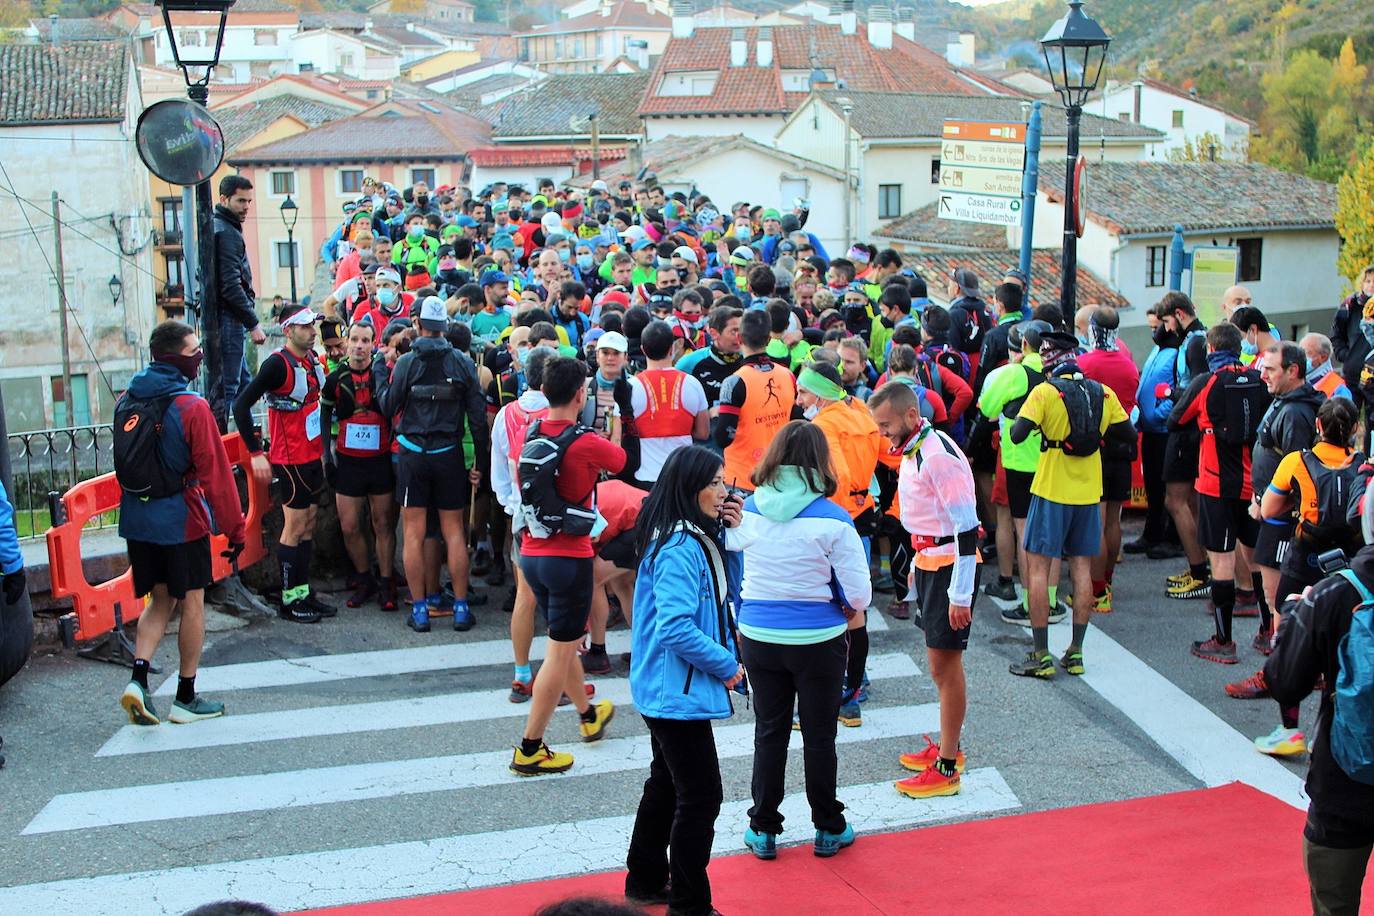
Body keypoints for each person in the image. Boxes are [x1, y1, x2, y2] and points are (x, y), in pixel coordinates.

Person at [732, 421, 870, 860]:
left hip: (758, 635)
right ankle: (828, 826)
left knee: (769, 732)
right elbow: (860, 596)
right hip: (818, 639)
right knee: (818, 735)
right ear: (819, 463)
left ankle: (763, 829)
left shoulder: (747, 510)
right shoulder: (834, 518)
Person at [624, 446, 745, 915]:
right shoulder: (679, 546)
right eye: (713, 482)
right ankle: (689, 903)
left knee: (667, 784)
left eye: (723, 481)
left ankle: (646, 879)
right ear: (688, 486)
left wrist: (730, 538)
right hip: (675, 690)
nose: (723, 490)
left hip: (668, 687)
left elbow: (726, 591)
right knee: (701, 797)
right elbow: (675, 627)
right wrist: (726, 664)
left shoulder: (693, 537)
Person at [116, 320, 246, 726]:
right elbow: (217, 475)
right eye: (194, 353)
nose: (199, 359)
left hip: (137, 519)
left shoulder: (128, 399)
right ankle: (185, 697)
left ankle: (138, 680)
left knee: (159, 598)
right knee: (192, 601)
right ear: (177, 358)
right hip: (181, 520)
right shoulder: (192, 406)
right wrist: (235, 527)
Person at [510, 356, 622, 776]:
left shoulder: (532, 428)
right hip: (569, 556)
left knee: (563, 638)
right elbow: (620, 460)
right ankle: (530, 746)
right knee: (560, 651)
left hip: (532, 553)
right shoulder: (586, 440)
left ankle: (588, 714)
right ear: (580, 394)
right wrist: (610, 422)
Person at [869, 381, 979, 798]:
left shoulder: (936, 456)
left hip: (950, 568)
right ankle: (951, 747)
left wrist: (960, 594)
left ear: (912, 417)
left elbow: (967, 528)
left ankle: (948, 765)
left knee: (945, 669)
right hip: (932, 563)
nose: (884, 434)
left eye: (887, 425)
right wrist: (916, 564)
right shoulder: (918, 449)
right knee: (941, 667)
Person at [1263, 521, 1374, 915]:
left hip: (1344, 784)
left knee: (1333, 903)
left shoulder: (1334, 593)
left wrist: (1295, 618)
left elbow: (1284, 683)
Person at [1008, 331, 1134, 678]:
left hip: (1051, 490)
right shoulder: (1101, 392)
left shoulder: (1045, 392)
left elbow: (1017, 434)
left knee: (1038, 569)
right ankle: (1076, 652)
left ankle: (1041, 654)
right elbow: (1129, 435)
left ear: (1048, 359)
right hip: (1088, 492)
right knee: (1080, 569)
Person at [1251, 398, 1363, 756]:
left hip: (1304, 559)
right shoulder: (1364, 466)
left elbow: (1267, 510)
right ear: (1355, 430)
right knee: (1343, 645)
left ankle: (1289, 731)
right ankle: (1330, 733)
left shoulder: (1296, 461)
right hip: (1349, 565)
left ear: (1317, 426)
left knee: (1288, 639)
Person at [376, 297, 488, 633]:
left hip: (413, 452)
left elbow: (388, 406)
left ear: (419, 325)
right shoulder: (463, 363)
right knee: (454, 532)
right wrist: (479, 462)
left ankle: (421, 608)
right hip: (448, 453)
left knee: (413, 532)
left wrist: (381, 371)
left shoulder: (407, 362)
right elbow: (478, 420)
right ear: (445, 328)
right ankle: (461, 607)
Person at [1169, 322, 1270, 664]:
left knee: (1222, 560)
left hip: (1214, 485)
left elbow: (1174, 420)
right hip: (1253, 485)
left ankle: (1224, 641)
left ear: (1211, 350)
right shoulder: (1259, 379)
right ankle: (1268, 630)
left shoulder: (1206, 382)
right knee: (1258, 561)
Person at [796, 361, 883, 727]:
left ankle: (836, 696)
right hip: (863, 516)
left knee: (828, 608)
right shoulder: (859, 410)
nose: (799, 401)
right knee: (855, 603)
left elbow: (838, 478)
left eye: (803, 392)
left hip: (836, 522)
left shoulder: (822, 426)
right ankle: (854, 687)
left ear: (819, 393)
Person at [233, 305, 332, 624]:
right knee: (294, 526)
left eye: (312, 326)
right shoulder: (277, 364)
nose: (312, 331)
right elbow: (241, 405)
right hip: (290, 459)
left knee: (309, 524)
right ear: (288, 330)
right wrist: (255, 452)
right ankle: (290, 598)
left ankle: (302, 590)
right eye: (305, 327)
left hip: (312, 454)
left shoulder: (312, 360)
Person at [1241, 342, 1322, 667]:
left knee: (1279, 600)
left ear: (1293, 371)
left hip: (1283, 520)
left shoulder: (1296, 412)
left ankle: (1281, 672)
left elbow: (1303, 474)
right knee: (1274, 595)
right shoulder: (1285, 402)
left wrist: (1269, 504)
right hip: (1272, 512)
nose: (1263, 375)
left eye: (1270, 369)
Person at [320, 320, 397, 611]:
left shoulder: (383, 374)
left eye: (366, 340)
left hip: (379, 460)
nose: (359, 346)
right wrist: (325, 455)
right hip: (349, 460)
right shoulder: (335, 377)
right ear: (347, 342)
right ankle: (364, 578)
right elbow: (324, 412)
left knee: (383, 524)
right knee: (350, 526)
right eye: (354, 339)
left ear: (373, 343)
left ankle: (387, 580)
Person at [1077, 306, 1140, 613]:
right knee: (1114, 520)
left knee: (1097, 522)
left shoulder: (1085, 363)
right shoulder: (1128, 366)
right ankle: (1108, 582)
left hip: (1097, 447)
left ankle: (1097, 590)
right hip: (1123, 445)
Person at [1158, 292, 1212, 599]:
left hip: (1186, 428)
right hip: (1192, 429)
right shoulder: (1196, 339)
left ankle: (1198, 571)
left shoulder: (1194, 342)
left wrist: (1170, 394)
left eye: (1167, 321)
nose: (1165, 329)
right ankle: (1202, 566)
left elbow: (1196, 385)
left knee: (1175, 501)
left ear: (1179, 314)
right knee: (1191, 501)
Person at [716, 310, 797, 488]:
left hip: (742, 479)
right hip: (778, 476)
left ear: (739, 338)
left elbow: (723, 438)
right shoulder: (788, 375)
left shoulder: (734, 382)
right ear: (768, 339)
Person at [211, 175, 267, 429]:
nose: (246, 207)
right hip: (229, 320)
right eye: (240, 201)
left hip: (227, 318)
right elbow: (230, 286)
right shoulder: (227, 233)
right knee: (228, 389)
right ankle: (221, 448)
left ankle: (249, 443)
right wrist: (253, 323)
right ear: (224, 199)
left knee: (243, 385)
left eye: (249, 201)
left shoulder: (222, 227)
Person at [629, 320, 710, 485]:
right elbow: (703, 433)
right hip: (684, 476)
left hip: (645, 478)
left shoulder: (631, 386)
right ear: (672, 349)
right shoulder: (692, 384)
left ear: (643, 349)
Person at [1130, 304, 1182, 557]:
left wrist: (1157, 415)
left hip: (1163, 430)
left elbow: (1176, 391)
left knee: (1165, 489)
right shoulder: (1158, 350)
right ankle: (1151, 534)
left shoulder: (1176, 353)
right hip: (1150, 429)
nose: (1153, 331)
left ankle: (1167, 536)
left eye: (1155, 326)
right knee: (1152, 486)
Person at [675, 304, 743, 408]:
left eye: (742, 331)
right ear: (713, 333)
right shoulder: (689, 363)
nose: (740, 337)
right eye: (734, 331)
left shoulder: (748, 361)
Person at [1331, 265, 1374, 412]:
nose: (1371, 285)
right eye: (1368, 281)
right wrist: (1345, 356)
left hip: (1372, 377)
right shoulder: (1349, 306)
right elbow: (1337, 335)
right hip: (1352, 374)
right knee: (1346, 417)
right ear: (1362, 283)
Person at [1300, 332, 1353, 401]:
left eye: (1306, 353)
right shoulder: (1298, 380)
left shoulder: (1338, 388)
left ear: (1323, 357)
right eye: (1300, 352)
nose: (1300, 357)